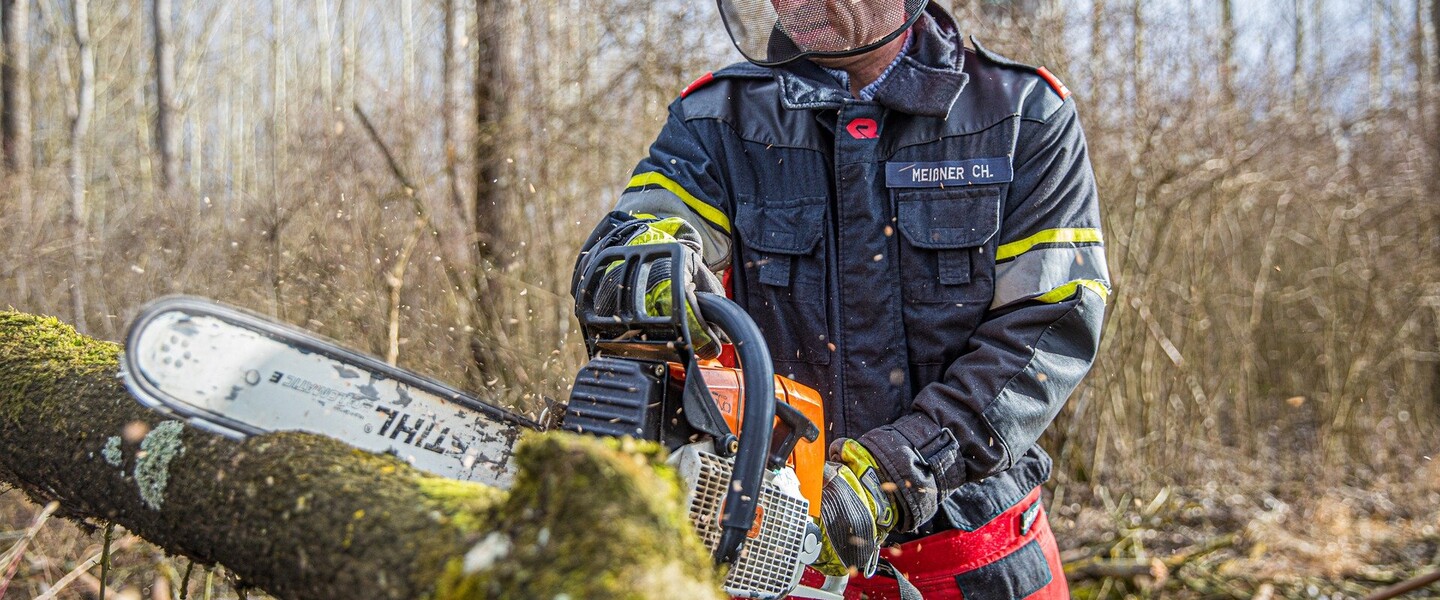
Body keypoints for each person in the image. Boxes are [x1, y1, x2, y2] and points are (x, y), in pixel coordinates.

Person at [573, 0, 1107, 597]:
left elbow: (1047, 330)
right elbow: (640, 229)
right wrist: (647, 266)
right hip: (777, 553)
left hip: (973, 557)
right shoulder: (719, 118)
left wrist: (896, 471)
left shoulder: (1020, 114)